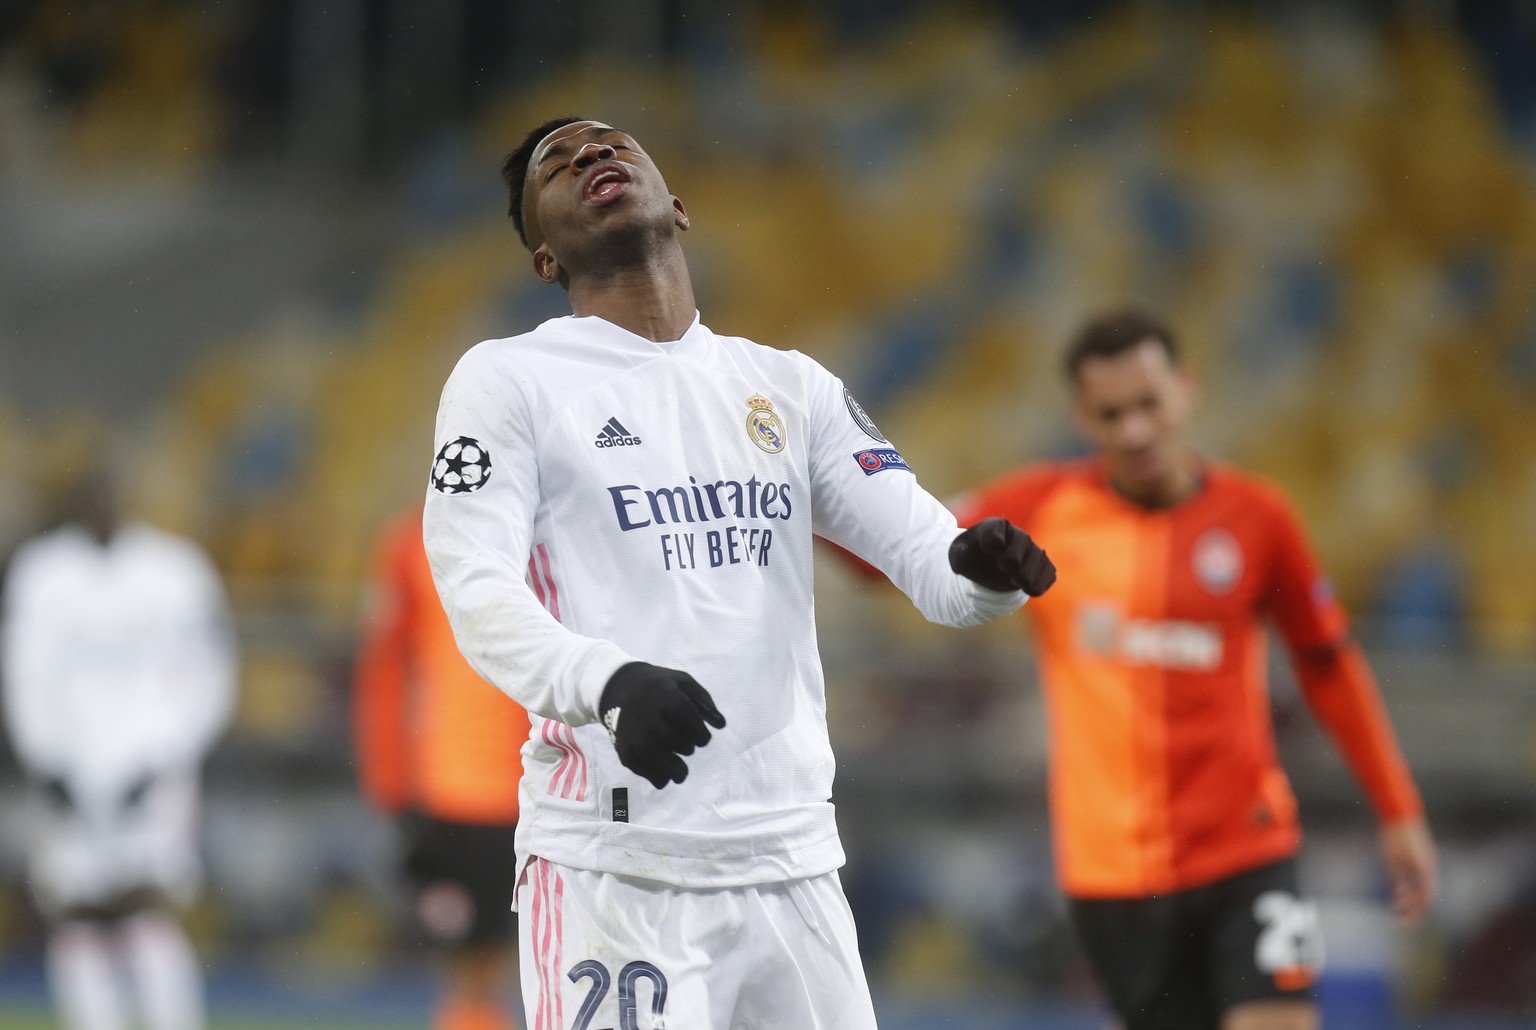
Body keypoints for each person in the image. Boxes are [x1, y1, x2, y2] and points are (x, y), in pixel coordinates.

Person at [421, 116, 1057, 1029]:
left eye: (613, 144)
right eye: (558, 167)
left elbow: (933, 565)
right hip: (615, 865)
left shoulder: (789, 386)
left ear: (676, 206)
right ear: (546, 262)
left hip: (791, 862)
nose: (593, 156)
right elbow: (475, 589)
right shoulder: (508, 381)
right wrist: (606, 682)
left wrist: (983, 565)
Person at [947, 309, 1438, 1030]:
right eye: (1112, 413)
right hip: (1113, 875)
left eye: (1149, 404)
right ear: (1082, 416)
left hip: (1247, 847)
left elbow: (1328, 662)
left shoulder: (1257, 517)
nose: (1135, 430)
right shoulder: (1036, 507)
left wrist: (1398, 811)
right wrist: (801, 492)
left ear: (1186, 390)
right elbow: (887, 549)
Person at [1, 473, 236, 1030]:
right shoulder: (42, 574)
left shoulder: (176, 571)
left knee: (147, 911)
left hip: (152, 773)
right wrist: (44, 760)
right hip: (68, 770)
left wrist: (165, 758)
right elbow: (23, 674)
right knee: (77, 917)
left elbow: (209, 673)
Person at [354, 504, 530, 1030]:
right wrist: (390, 785)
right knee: (465, 965)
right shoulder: (411, 544)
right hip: (447, 792)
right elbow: (385, 670)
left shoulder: (542, 533)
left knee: (511, 962)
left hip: (532, 788)